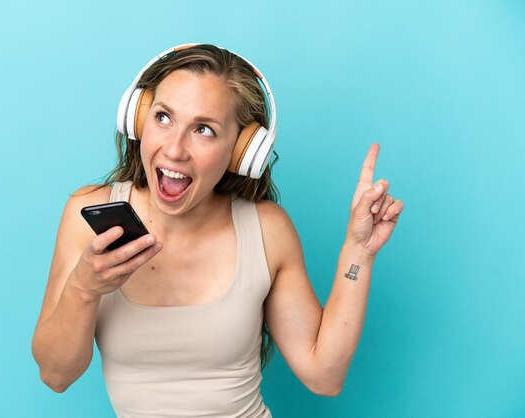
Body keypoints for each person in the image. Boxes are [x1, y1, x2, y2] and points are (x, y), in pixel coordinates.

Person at [31, 44, 404, 417]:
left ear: (241, 151)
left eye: (204, 129)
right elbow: (56, 374)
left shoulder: (266, 231)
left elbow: (324, 376)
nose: (174, 149)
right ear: (139, 119)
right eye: (163, 118)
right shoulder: (87, 217)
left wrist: (360, 252)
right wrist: (84, 286)